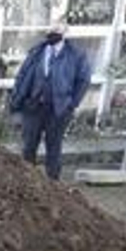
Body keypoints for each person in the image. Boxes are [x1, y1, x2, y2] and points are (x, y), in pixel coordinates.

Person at [11, 20, 93, 181]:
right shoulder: (37, 51)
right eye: (51, 30)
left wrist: (72, 103)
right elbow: (23, 75)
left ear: (64, 34)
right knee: (28, 146)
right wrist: (19, 98)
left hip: (59, 108)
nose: (52, 34)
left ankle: (53, 184)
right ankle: (27, 181)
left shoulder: (76, 55)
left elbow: (83, 80)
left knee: (53, 147)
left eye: (57, 31)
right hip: (34, 106)